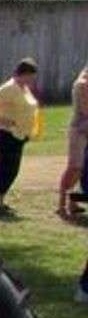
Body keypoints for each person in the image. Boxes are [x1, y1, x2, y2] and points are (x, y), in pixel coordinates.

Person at [0, 58, 41, 218]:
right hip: (5, 133)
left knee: (12, 170)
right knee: (4, 168)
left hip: (19, 134)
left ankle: (0, 201)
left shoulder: (23, 89)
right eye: (30, 76)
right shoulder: (10, 87)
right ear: (23, 73)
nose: (32, 80)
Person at [58, 65, 88, 219]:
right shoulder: (82, 84)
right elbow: (85, 110)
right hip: (80, 131)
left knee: (83, 169)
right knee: (75, 167)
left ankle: (73, 202)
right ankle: (61, 203)